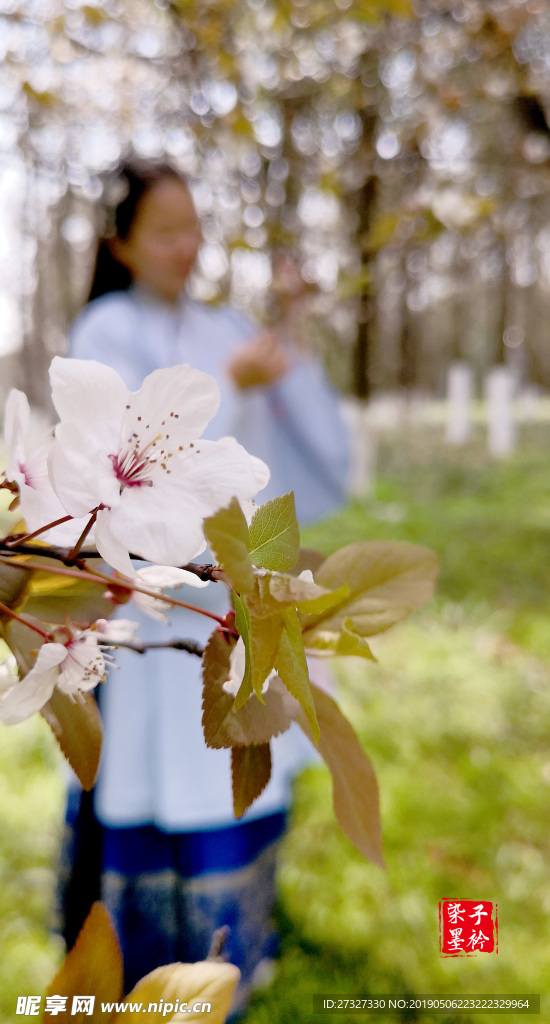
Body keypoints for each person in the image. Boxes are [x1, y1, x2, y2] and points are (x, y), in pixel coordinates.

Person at [59, 161, 349, 1014]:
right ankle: (151, 963)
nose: (187, 247)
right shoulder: (107, 326)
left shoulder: (220, 321)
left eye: (194, 226)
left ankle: (238, 947)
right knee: (168, 762)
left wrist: (288, 331)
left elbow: (278, 451)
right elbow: (125, 446)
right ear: (120, 243)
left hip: (235, 584)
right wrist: (236, 382)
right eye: (165, 231)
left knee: (242, 750)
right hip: (158, 597)